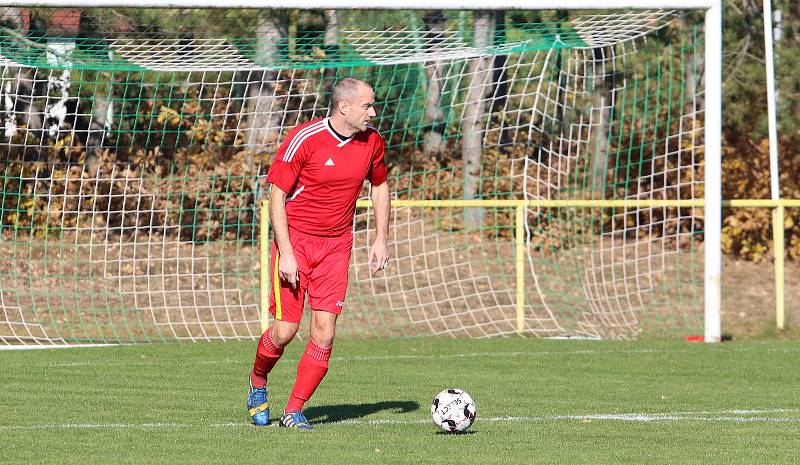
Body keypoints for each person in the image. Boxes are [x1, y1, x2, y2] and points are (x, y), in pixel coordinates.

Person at [246, 77, 390, 430]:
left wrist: (381, 238)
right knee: (284, 332)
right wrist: (288, 252)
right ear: (344, 107)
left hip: (337, 246)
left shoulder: (373, 142)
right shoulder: (304, 139)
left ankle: (294, 410)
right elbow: (276, 197)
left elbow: (381, 185)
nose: (373, 112)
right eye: (367, 106)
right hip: (296, 243)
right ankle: (258, 381)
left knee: (324, 332)